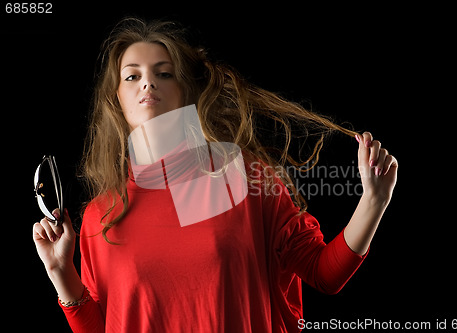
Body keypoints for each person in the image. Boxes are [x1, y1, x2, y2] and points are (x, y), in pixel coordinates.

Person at [33, 18, 398, 332]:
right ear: (116, 100)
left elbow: (323, 273)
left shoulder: (242, 179)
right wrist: (60, 272)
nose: (148, 84)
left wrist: (374, 201)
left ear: (186, 92)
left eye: (164, 73)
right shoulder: (102, 215)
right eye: (132, 76)